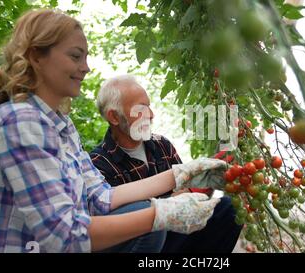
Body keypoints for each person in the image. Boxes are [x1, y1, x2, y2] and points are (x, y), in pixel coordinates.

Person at [0, 9, 228, 253]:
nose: (86, 67)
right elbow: (62, 236)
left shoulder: (60, 125)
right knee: (149, 221)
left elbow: (100, 197)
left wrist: (180, 174)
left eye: (85, 57)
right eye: (75, 56)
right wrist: (159, 215)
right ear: (36, 57)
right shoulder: (20, 122)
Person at [90, 75, 242, 253]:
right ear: (114, 117)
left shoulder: (161, 144)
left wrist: (208, 175)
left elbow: (185, 189)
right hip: (145, 243)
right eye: (141, 108)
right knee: (156, 224)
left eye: (149, 106)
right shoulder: (98, 164)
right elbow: (118, 227)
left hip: (177, 232)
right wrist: (167, 206)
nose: (151, 115)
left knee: (229, 209)